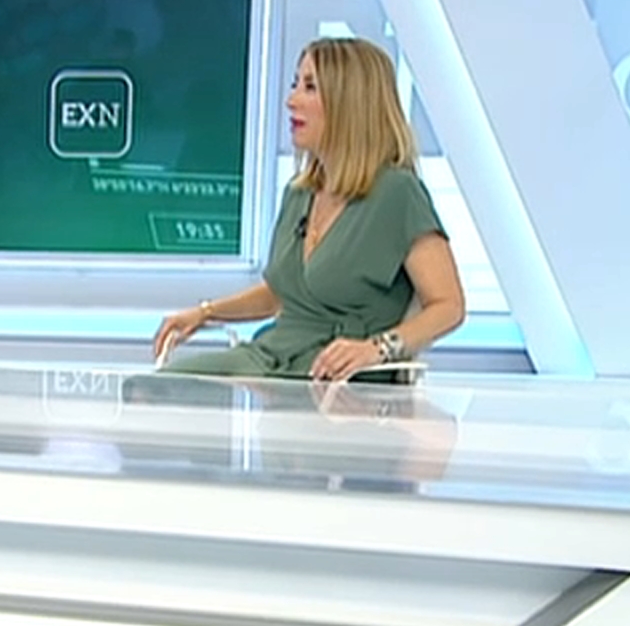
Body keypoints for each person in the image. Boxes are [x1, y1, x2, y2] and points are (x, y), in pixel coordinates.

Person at [152, 37, 464, 380]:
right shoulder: (299, 193)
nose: (291, 100)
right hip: (273, 354)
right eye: (296, 84)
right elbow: (278, 296)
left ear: (350, 102)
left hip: (335, 376)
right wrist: (205, 313)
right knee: (151, 389)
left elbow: (448, 306)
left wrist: (376, 349)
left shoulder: (397, 193)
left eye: (310, 87)